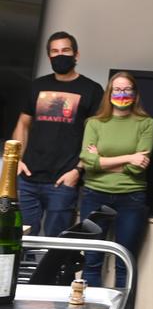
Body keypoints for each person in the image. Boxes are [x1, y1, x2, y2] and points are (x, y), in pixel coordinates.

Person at [12, 31, 103, 236]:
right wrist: (17, 160)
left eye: (65, 50)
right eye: (54, 51)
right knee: (22, 241)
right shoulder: (38, 86)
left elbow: (96, 136)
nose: (60, 55)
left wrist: (77, 171)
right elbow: (23, 124)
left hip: (63, 180)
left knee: (56, 244)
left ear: (76, 55)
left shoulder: (92, 89)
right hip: (28, 178)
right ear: (49, 56)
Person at [79, 71, 153, 287]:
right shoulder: (94, 123)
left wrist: (101, 160)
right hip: (94, 195)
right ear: (109, 93)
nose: (122, 93)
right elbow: (86, 161)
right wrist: (130, 157)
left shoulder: (146, 123)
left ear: (135, 93)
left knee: (125, 263)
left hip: (131, 198)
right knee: (91, 262)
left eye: (127, 89)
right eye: (117, 89)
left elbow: (137, 170)